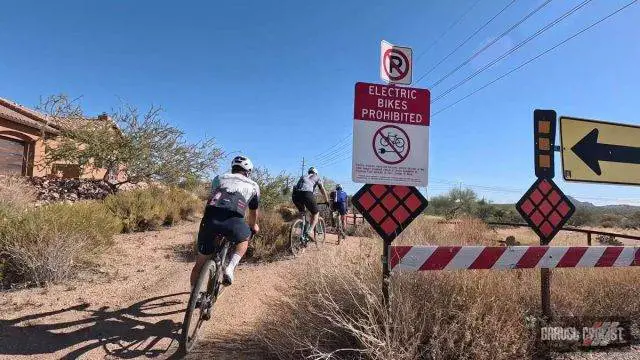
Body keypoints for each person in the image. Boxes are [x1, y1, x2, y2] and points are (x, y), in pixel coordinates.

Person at [191, 155, 260, 289]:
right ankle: (230, 267)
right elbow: (253, 211)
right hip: (234, 220)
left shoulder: (218, 178)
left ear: (233, 168)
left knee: (199, 264)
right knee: (244, 238)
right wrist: (253, 226)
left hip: (210, 218)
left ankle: (194, 296)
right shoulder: (253, 185)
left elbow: (212, 198)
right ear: (248, 172)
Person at [291, 166, 330, 241]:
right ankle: (309, 231)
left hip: (295, 195)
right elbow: (322, 190)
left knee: (303, 213)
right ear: (316, 173)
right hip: (307, 194)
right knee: (316, 213)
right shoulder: (317, 177)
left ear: (309, 172)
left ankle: (302, 232)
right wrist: (327, 201)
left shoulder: (303, 176)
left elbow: (297, 186)